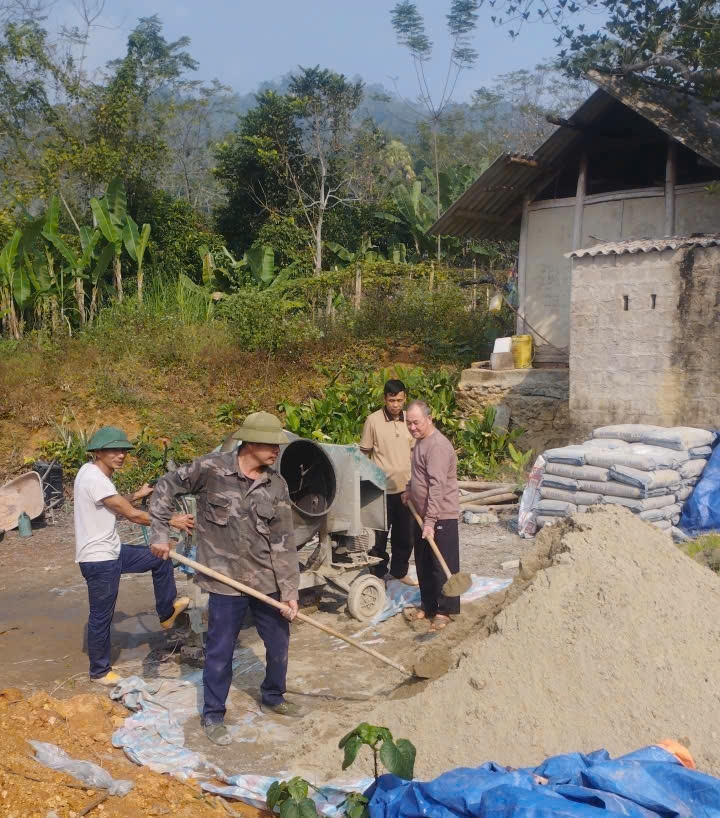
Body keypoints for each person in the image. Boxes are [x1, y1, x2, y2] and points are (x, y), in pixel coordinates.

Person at [149, 411, 301, 747]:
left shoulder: (276, 485)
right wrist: (160, 532)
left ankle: (273, 695)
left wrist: (290, 591)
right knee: (220, 650)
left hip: (266, 581)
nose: (277, 450)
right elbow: (166, 485)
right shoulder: (211, 469)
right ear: (251, 443)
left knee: (279, 644)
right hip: (224, 580)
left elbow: (284, 542)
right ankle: (214, 714)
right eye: (271, 444)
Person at [74, 426, 195, 687]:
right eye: (114, 450)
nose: (121, 455)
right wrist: (172, 520)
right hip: (99, 559)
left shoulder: (90, 472)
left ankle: (166, 613)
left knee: (160, 555)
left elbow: (114, 502)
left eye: (124, 451)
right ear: (98, 452)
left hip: (112, 550)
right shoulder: (95, 478)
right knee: (101, 616)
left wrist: (137, 495)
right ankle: (99, 671)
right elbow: (132, 515)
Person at [401, 400, 461, 632]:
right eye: (409, 423)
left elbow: (437, 486)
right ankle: (428, 605)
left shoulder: (437, 446)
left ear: (429, 419)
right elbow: (418, 474)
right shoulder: (420, 442)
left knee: (440, 564)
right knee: (424, 562)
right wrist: (409, 489)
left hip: (440, 515)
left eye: (416, 423)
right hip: (422, 513)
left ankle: (444, 610)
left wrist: (430, 522)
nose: (412, 427)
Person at [359, 379, 417, 585]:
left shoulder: (410, 420)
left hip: (406, 489)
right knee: (379, 537)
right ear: (385, 399)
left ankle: (400, 572)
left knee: (405, 535)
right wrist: (365, 483)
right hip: (380, 490)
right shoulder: (373, 421)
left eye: (399, 400)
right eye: (392, 400)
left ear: (405, 399)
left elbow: (415, 452)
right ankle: (378, 574)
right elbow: (363, 454)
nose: (395, 405)